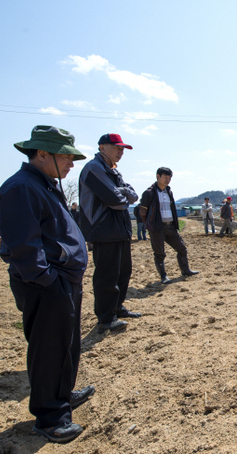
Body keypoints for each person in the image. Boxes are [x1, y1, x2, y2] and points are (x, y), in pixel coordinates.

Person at [0, 125, 94, 443]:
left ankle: (61, 396)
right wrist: (49, 281)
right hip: (46, 284)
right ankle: (49, 418)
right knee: (49, 349)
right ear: (41, 154)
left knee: (66, 344)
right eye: (66, 156)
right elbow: (25, 247)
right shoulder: (20, 188)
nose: (71, 163)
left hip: (62, 280)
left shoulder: (45, 184)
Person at [79, 133, 141, 333]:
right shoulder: (94, 168)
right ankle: (106, 318)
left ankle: (117, 307)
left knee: (124, 271)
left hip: (120, 229)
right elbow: (117, 201)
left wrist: (121, 192)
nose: (121, 152)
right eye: (117, 148)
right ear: (102, 147)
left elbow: (133, 196)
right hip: (103, 229)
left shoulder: (113, 170)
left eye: (123, 149)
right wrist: (122, 193)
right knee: (107, 275)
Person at [140, 167, 200, 284]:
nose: (168, 180)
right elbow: (142, 211)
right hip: (157, 227)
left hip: (170, 226)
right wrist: (149, 224)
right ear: (158, 176)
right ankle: (163, 276)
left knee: (182, 248)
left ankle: (185, 270)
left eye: (169, 177)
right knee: (159, 253)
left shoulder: (169, 191)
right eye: (165, 177)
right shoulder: (149, 193)